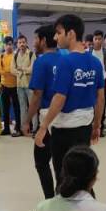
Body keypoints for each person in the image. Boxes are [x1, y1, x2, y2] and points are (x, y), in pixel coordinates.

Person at [35, 15, 105, 179]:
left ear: (71, 34)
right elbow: (100, 98)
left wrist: (43, 126)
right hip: (85, 127)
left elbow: (60, 98)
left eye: (58, 33)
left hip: (64, 130)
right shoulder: (95, 63)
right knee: (82, 173)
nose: (55, 37)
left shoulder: (65, 62)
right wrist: (96, 125)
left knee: (63, 175)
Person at [24, 25, 62, 199]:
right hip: (65, 116)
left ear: (44, 41)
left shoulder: (41, 61)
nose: (34, 42)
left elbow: (37, 95)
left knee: (41, 162)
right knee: (62, 162)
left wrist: (26, 120)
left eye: (36, 39)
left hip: (48, 116)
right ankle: (64, 198)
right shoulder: (64, 59)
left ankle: (50, 200)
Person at [13, 35, 35, 135]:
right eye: (20, 42)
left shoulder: (31, 54)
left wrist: (22, 70)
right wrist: (20, 72)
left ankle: (35, 129)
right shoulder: (15, 55)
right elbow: (12, 69)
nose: (21, 44)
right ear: (17, 44)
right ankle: (23, 129)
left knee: (32, 107)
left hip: (30, 85)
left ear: (26, 43)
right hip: (19, 85)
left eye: (23, 42)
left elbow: (32, 69)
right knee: (22, 108)